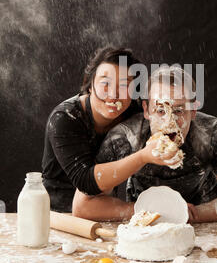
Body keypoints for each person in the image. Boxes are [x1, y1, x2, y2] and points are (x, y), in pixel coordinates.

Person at [72, 65, 217, 222]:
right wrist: (147, 212)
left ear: (193, 111)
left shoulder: (214, 133)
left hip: (204, 226)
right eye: (160, 110)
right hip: (145, 224)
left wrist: (195, 214)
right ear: (146, 110)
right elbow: (82, 207)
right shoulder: (124, 138)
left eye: (179, 110)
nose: (170, 122)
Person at [42, 46, 146, 212]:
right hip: (56, 214)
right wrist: (143, 157)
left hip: (103, 209)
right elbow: (86, 181)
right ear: (90, 85)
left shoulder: (133, 113)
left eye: (124, 85)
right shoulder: (65, 117)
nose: (113, 94)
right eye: (105, 83)